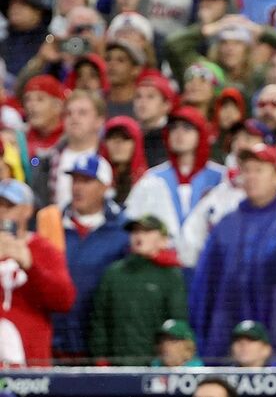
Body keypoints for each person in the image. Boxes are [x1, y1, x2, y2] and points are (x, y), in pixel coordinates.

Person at [189, 143, 276, 361]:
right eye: (246, 170)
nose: (251, 177)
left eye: (259, 170)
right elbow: (205, 287)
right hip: (226, 340)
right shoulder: (226, 225)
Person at [53, 154, 127, 361]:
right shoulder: (51, 225)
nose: (77, 187)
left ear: (105, 186)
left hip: (101, 342)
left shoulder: (123, 229)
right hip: (57, 340)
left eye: (86, 181)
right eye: (75, 180)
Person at [90, 215, 188, 365]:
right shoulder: (114, 273)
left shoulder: (171, 275)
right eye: (135, 232)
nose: (139, 236)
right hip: (117, 363)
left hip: (156, 364)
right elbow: (100, 319)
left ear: (163, 240)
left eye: (147, 231)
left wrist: (170, 357)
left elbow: (178, 321)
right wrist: (100, 358)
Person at [0, 180, 76, 366]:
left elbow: (64, 300)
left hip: (31, 362)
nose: (1, 211)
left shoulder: (42, 249)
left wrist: (31, 266)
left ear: (27, 210)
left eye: (9, 206)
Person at [124, 106, 226, 243]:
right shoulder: (152, 178)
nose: (179, 133)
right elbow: (132, 218)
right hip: (163, 259)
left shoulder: (220, 177)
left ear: (200, 134)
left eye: (187, 128)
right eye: (174, 128)